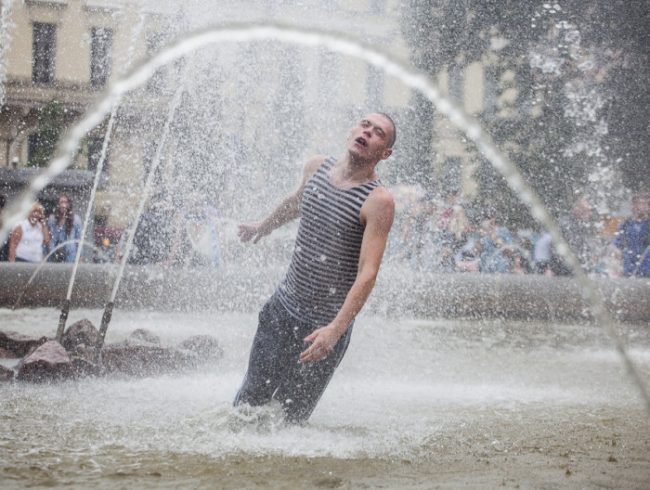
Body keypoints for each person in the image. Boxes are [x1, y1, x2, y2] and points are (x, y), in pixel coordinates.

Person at [233, 113, 396, 423]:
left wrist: (335, 330)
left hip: (322, 331)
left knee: (289, 420)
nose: (368, 132)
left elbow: (368, 272)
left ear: (385, 153)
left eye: (378, 133)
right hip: (281, 311)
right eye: (365, 125)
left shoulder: (379, 201)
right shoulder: (316, 166)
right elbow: (296, 202)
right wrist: (263, 226)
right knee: (247, 404)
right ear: (352, 130)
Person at [613, 192, 650, 277]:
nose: (640, 207)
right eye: (637, 203)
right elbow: (618, 249)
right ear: (632, 206)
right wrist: (618, 268)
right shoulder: (625, 225)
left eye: (644, 204)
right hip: (629, 271)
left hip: (647, 271)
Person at [47, 194, 82, 262]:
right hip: (55, 254)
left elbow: (79, 238)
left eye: (65, 202)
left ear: (69, 204)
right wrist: (51, 252)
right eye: (61, 202)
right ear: (58, 205)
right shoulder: (52, 219)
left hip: (71, 255)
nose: (63, 205)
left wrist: (80, 255)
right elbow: (51, 238)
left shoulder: (76, 219)